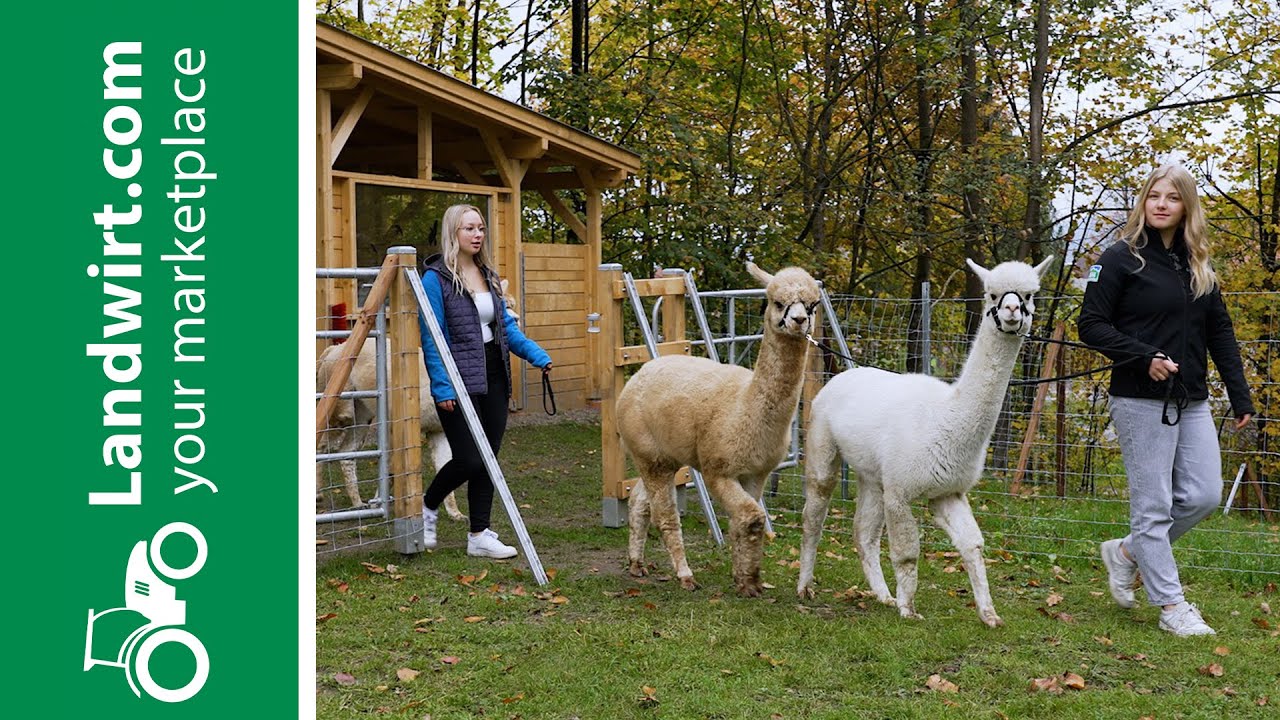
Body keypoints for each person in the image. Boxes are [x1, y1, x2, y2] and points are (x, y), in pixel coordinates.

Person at [1078, 164, 1254, 636]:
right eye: (1153, 195)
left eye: (1171, 198)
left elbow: (1220, 331)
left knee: (1202, 496)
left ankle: (1128, 552)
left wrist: (1240, 396)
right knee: (1152, 507)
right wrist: (1143, 357)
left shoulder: (1197, 265)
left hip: (1191, 399)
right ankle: (1172, 605)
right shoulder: (1119, 258)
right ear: (1143, 201)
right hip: (1139, 399)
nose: (1160, 204)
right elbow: (1090, 324)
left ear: (1186, 207)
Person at [417, 204, 552, 559]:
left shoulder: (488, 274)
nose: (477, 235)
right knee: (470, 459)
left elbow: (505, 328)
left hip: (494, 372)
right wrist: (443, 386)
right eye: (469, 229)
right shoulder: (436, 279)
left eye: (480, 228)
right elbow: (432, 337)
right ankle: (428, 504)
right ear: (453, 234)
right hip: (457, 377)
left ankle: (479, 534)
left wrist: (537, 355)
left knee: (489, 457)